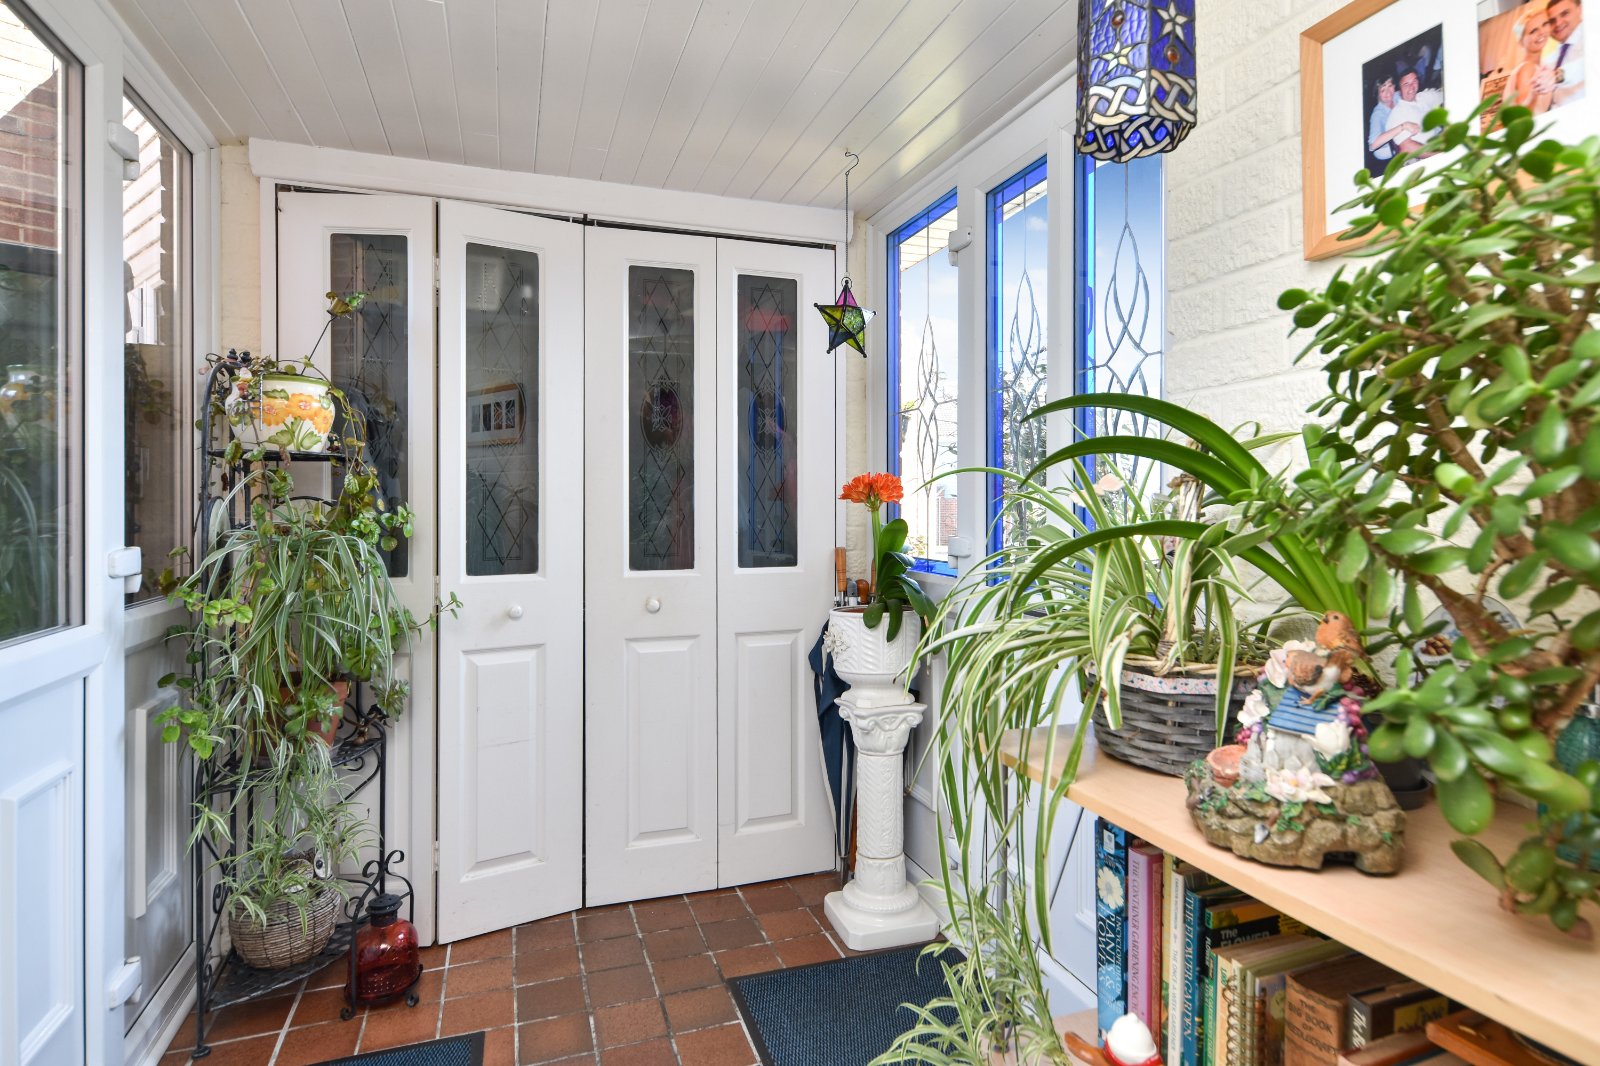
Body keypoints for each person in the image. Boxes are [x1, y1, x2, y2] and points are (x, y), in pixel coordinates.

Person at [1534, 0, 1585, 106]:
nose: (1558, 23)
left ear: (1580, 9)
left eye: (1565, 14)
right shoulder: (1551, 58)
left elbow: (1588, 64)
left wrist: (1556, 76)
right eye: (1552, 21)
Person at [1510, 3, 1555, 112]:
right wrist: (1533, 94)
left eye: (1544, 24)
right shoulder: (1528, 68)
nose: (1541, 32)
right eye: (1533, 31)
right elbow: (1525, 113)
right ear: (1521, 41)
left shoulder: (1539, 65)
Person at [1367, 75, 1398, 163]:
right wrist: (1402, 127)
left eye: (1390, 86)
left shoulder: (1397, 96)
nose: (1388, 92)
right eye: (1382, 90)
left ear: (1394, 86)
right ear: (1378, 95)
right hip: (1384, 151)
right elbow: (1373, 144)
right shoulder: (1377, 114)